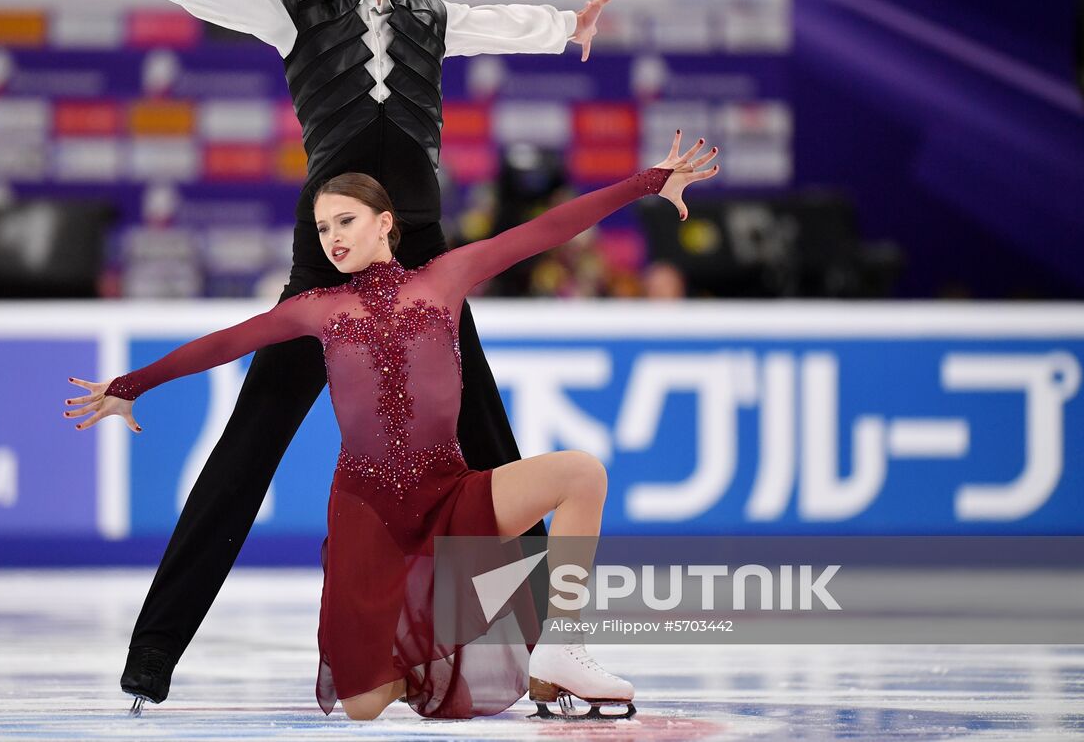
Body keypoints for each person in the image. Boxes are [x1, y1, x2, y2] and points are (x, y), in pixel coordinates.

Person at [11, 0, 621, 704]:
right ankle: (152, 655)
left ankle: (548, 656)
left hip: (424, 257)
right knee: (249, 444)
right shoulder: (289, 6)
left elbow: (504, 21)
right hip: (330, 253)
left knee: (491, 440)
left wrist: (564, 28)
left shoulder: (431, 19)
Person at [65, 132, 719, 719]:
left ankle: (562, 647)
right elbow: (224, 343)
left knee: (581, 473)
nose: (333, 238)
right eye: (322, 229)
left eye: (346, 220)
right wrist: (129, 386)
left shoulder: (446, 278)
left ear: (386, 223)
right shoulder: (316, 307)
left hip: (448, 496)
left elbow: (545, 231)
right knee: (364, 705)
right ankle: (416, 637)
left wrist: (647, 182)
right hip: (369, 522)